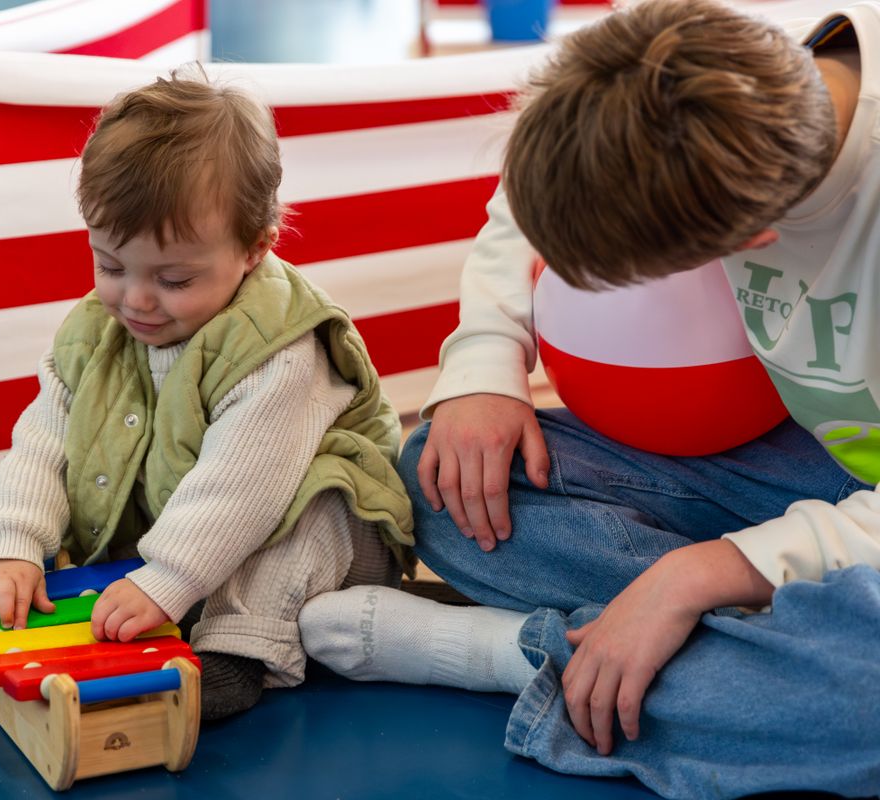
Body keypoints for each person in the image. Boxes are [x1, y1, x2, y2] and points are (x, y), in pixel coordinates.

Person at [298, 1, 880, 796]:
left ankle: (528, 655)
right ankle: (726, 648)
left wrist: (697, 577)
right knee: (449, 479)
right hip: (798, 468)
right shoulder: (698, 54)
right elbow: (527, 199)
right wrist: (486, 361)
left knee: (862, 707)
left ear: (751, 243)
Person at [0, 69, 414, 721]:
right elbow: (45, 442)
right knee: (70, 485)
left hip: (301, 521)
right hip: (178, 512)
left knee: (312, 510)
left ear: (256, 249)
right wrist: (13, 543)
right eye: (110, 266)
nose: (136, 299)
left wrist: (167, 580)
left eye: (174, 280)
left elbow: (240, 489)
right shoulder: (99, 330)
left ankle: (239, 650)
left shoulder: (276, 350)